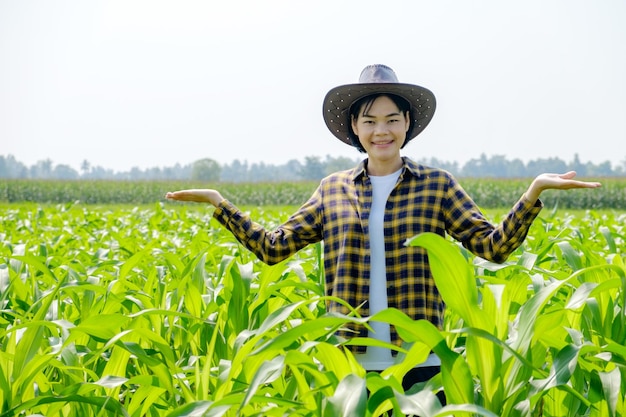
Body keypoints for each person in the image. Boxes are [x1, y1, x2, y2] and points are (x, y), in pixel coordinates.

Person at [165, 64, 601, 399]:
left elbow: (494, 247)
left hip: (422, 361)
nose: (382, 131)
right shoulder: (332, 189)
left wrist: (534, 191)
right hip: (351, 367)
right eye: (370, 121)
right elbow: (274, 248)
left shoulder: (438, 185)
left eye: (392, 119)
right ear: (355, 128)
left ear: (407, 124)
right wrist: (218, 203)